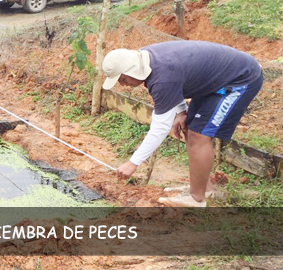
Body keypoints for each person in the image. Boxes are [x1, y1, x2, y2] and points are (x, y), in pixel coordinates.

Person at [102, 40, 263, 207]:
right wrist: (180, 111)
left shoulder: (161, 77)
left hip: (240, 79)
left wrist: (132, 163)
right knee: (190, 129)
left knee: (199, 136)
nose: (122, 84)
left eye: (122, 78)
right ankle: (203, 188)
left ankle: (196, 199)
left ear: (132, 70)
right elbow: (177, 80)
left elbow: (160, 128)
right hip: (215, 79)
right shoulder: (145, 60)